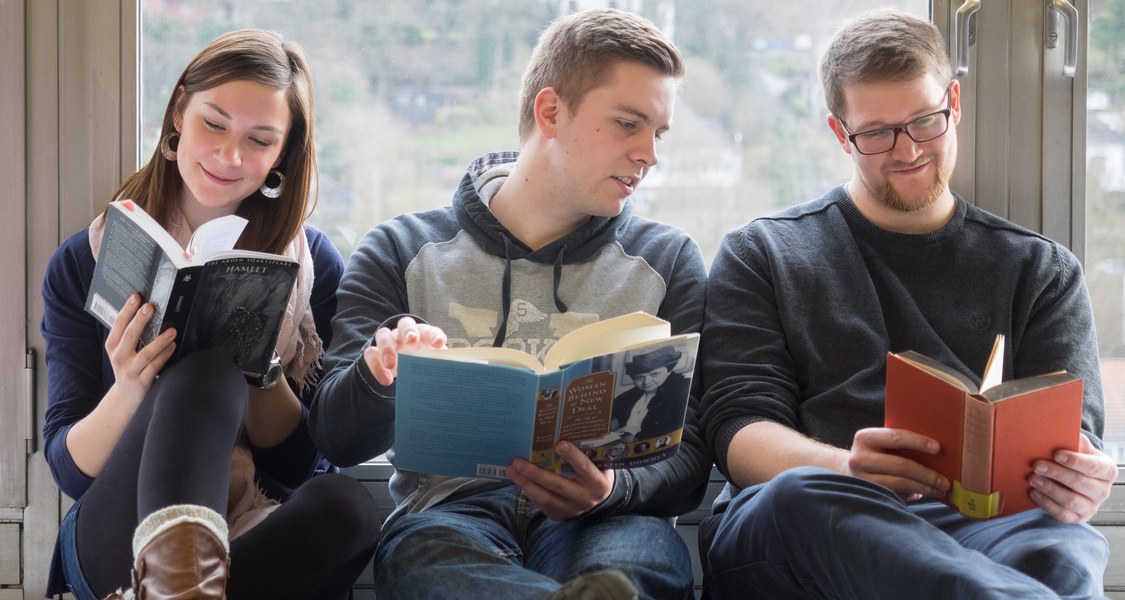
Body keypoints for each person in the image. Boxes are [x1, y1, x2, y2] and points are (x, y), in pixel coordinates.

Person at [698, 9, 1116, 600]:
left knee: (1063, 544)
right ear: (840, 133)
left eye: (925, 121)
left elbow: (1074, 438)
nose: (908, 150)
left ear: (954, 102)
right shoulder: (763, 252)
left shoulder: (1040, 270)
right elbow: (737, 431)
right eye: (876, 133)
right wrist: (849, 468)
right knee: (799, 497)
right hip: (810, 519)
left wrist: (1081, 477)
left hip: (982, 528)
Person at [308, 8, 710, 600]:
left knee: (640, 561)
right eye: (628, 124)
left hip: (606, 516)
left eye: (659, 133)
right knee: (423, 558)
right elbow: (335, 439)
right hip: (453, 513)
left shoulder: (668, 260)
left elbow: (693, 453)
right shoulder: (402, 249)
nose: (649, 153)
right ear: (550, 112)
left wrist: (612, 491)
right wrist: (379, 374)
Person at [41, 29, 380, 600]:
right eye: (214, 124)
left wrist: (263, 369)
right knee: (204, 373)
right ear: (179, 112)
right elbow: (70, 472)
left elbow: (300, 466)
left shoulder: (313, 262)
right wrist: (129, 386)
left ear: (283, 154)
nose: (229, 156)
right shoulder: (84, 260)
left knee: (349, 506)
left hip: (253, 518)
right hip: (115, 534)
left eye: (259, 140)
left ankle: (182, 592)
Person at [610, 346, 692, 443]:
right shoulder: (626, 397)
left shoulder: (683, 389)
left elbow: (677, 427)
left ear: (669, 371)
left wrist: (635, 437)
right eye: (640, 377)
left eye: (654, 374)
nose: (647, 382)